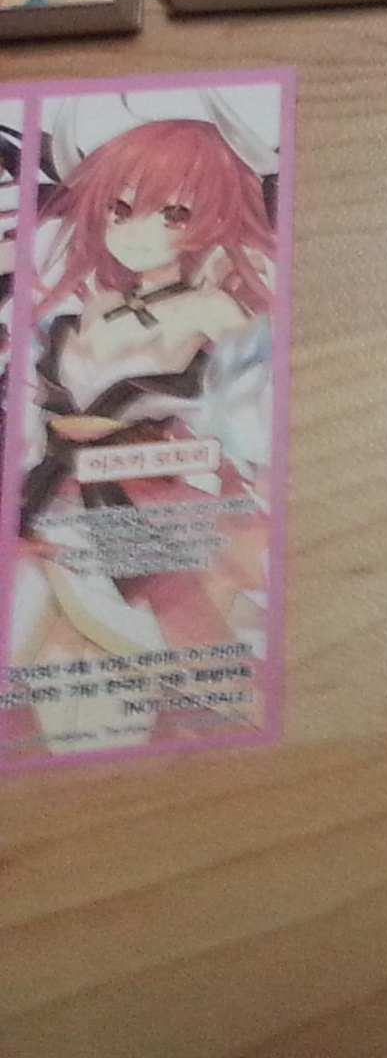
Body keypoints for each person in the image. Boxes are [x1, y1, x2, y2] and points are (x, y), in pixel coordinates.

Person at [10, 111, 280, 760]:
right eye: (120, 208)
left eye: (174, 214)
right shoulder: (93, 305)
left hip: (144, 504)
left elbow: (257, 418)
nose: (135, 233)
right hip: (44, 496)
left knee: (160, 658)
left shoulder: (213, 309)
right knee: (41, 658)